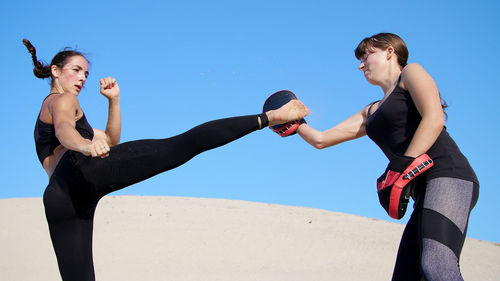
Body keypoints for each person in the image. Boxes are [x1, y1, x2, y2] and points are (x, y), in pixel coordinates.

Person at [23, 39, 309, 281]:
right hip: (77, 172)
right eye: (76, 70)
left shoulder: (54, 112)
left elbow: (111, 143)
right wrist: (85, 148)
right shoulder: (60, 102)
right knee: (181, 146)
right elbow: (65, 132)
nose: (83, 78)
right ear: (55, 71)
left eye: (86, 72)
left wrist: (114, 101)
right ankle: (272, 117)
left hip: (61, 199)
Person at [295, 33, 478, 280]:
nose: (361, 65)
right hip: (421, 191)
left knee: (437, 263)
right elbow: (321, 139)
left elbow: (434, 118)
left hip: (449, 176)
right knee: (406, 276)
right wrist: (292, 123)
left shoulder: (410, 73)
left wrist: (401, 167)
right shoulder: (371, 111)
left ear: (389, 52)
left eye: (366, 55)